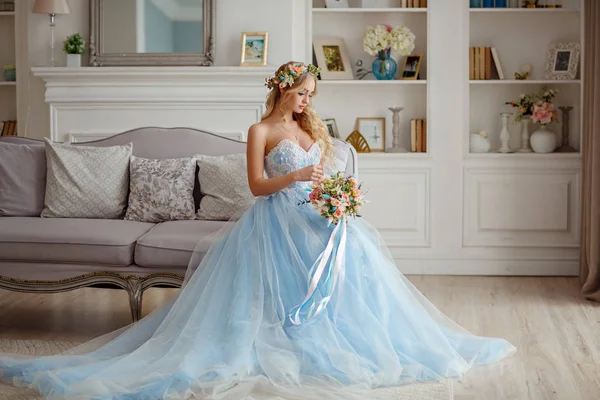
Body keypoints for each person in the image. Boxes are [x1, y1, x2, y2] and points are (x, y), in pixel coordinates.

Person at [0, 61, 516, 400]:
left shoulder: (313, 128)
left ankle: (351, 334)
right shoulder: (261, 131)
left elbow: (325, 174)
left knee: (356, 247)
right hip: (275, 216)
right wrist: (294, 177)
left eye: (312, 93)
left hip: (314, 212)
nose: (307, 101)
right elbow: (256, 185)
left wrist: (337, 198)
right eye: (301, 92)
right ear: (281, 89)